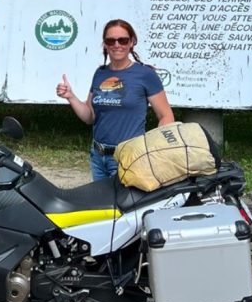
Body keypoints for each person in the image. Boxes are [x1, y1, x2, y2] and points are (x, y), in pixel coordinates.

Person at [56, 19, 175, 181]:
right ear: (105, 44)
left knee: (125, 206)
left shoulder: (145, 75)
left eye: (123, 40)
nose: (116, 45)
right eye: (110, 41)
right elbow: (90, 116)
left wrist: (155, 149)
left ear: (132, 42)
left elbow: (166, 116)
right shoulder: (100, 73)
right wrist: (71, 96)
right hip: (98, 157)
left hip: (128, 157)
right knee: (102, 206)